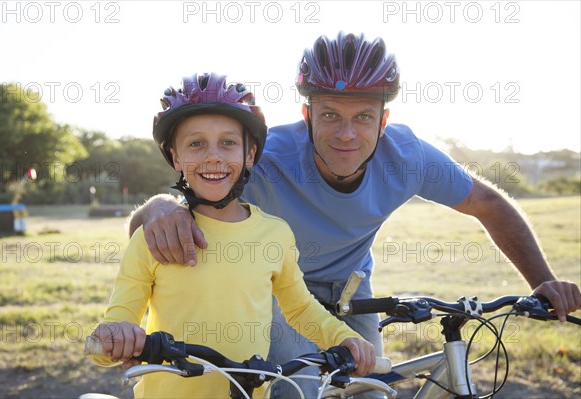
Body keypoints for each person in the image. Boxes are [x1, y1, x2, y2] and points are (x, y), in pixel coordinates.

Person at [128, 33, 581, 398]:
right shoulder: (266, 156)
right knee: (296, 386)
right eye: (329, 115)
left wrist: (542, 280)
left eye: (363, 117)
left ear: (383, 121)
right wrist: (160, 206)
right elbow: (188, 196)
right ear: (306, 115)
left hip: (351, 288)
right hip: (276, 289)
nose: (346, 134)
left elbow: (489, 204)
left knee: (369, 387)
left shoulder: (409, 157)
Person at [90, 72, 378, 399]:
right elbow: (112, 330)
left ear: (250, 155)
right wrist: (114, 336)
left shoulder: (274, 233)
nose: (213, 156)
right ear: (176, 157)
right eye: (196, 143)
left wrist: (343, 337)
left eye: (228, 142)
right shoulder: (155, 237)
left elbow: (299, 308)